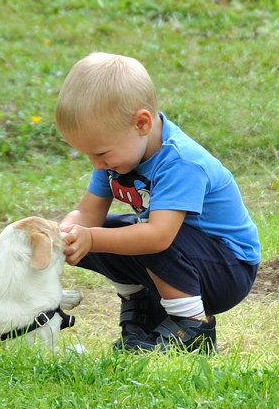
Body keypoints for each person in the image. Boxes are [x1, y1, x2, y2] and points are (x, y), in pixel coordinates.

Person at [55, 53, 260, 353]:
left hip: (227, 270)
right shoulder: (116, 156)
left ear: (141, 123)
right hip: (184, 259)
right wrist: (60, 236)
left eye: (100, 154)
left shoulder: (180, 162)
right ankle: (144, 310)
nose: (97, 165)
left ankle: (191, 327)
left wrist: (92, 237)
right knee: (100, 233)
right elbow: (88, 213)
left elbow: (158, 236)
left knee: (143, 236)